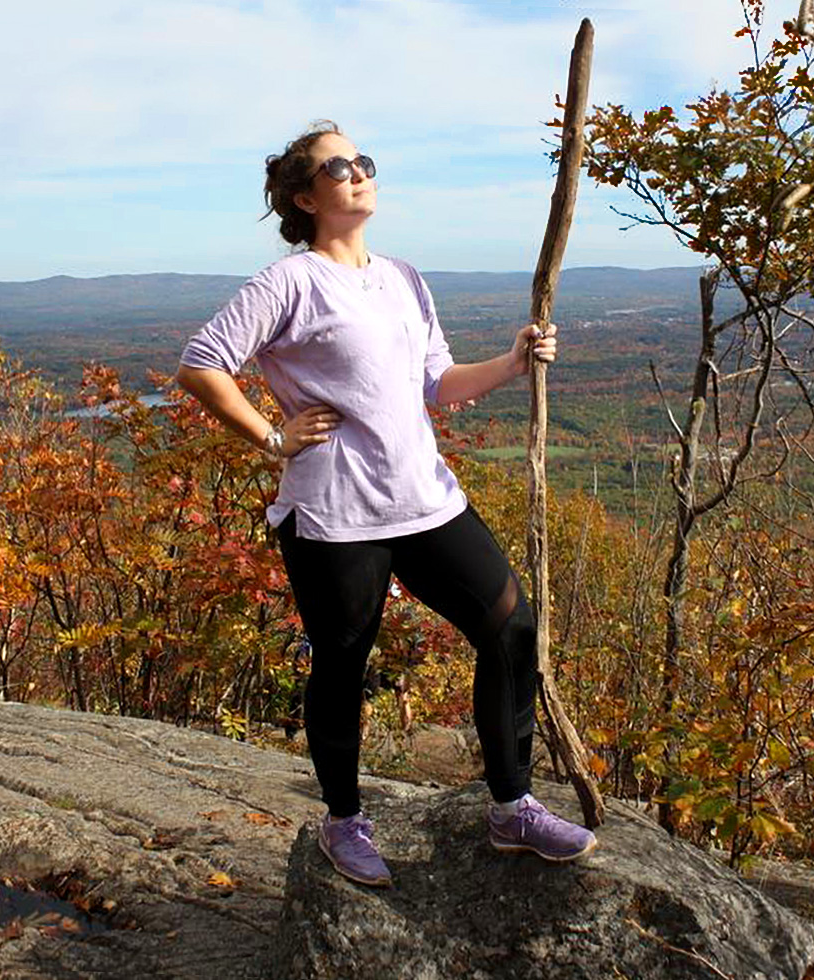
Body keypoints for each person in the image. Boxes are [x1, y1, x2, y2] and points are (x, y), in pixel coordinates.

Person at [176, 120, 596, 887]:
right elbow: (202, 364)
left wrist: (513, 359)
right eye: (338, 166)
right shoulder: (289, 283)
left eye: (363, 159)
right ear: (306, 197)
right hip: (335, 511)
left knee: (511, 628)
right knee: (343, 663)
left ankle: (513, 807)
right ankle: (344, 821)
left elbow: (438, 382)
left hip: (424, 497)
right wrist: (273, 438)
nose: (359, 172)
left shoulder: (402, 276)